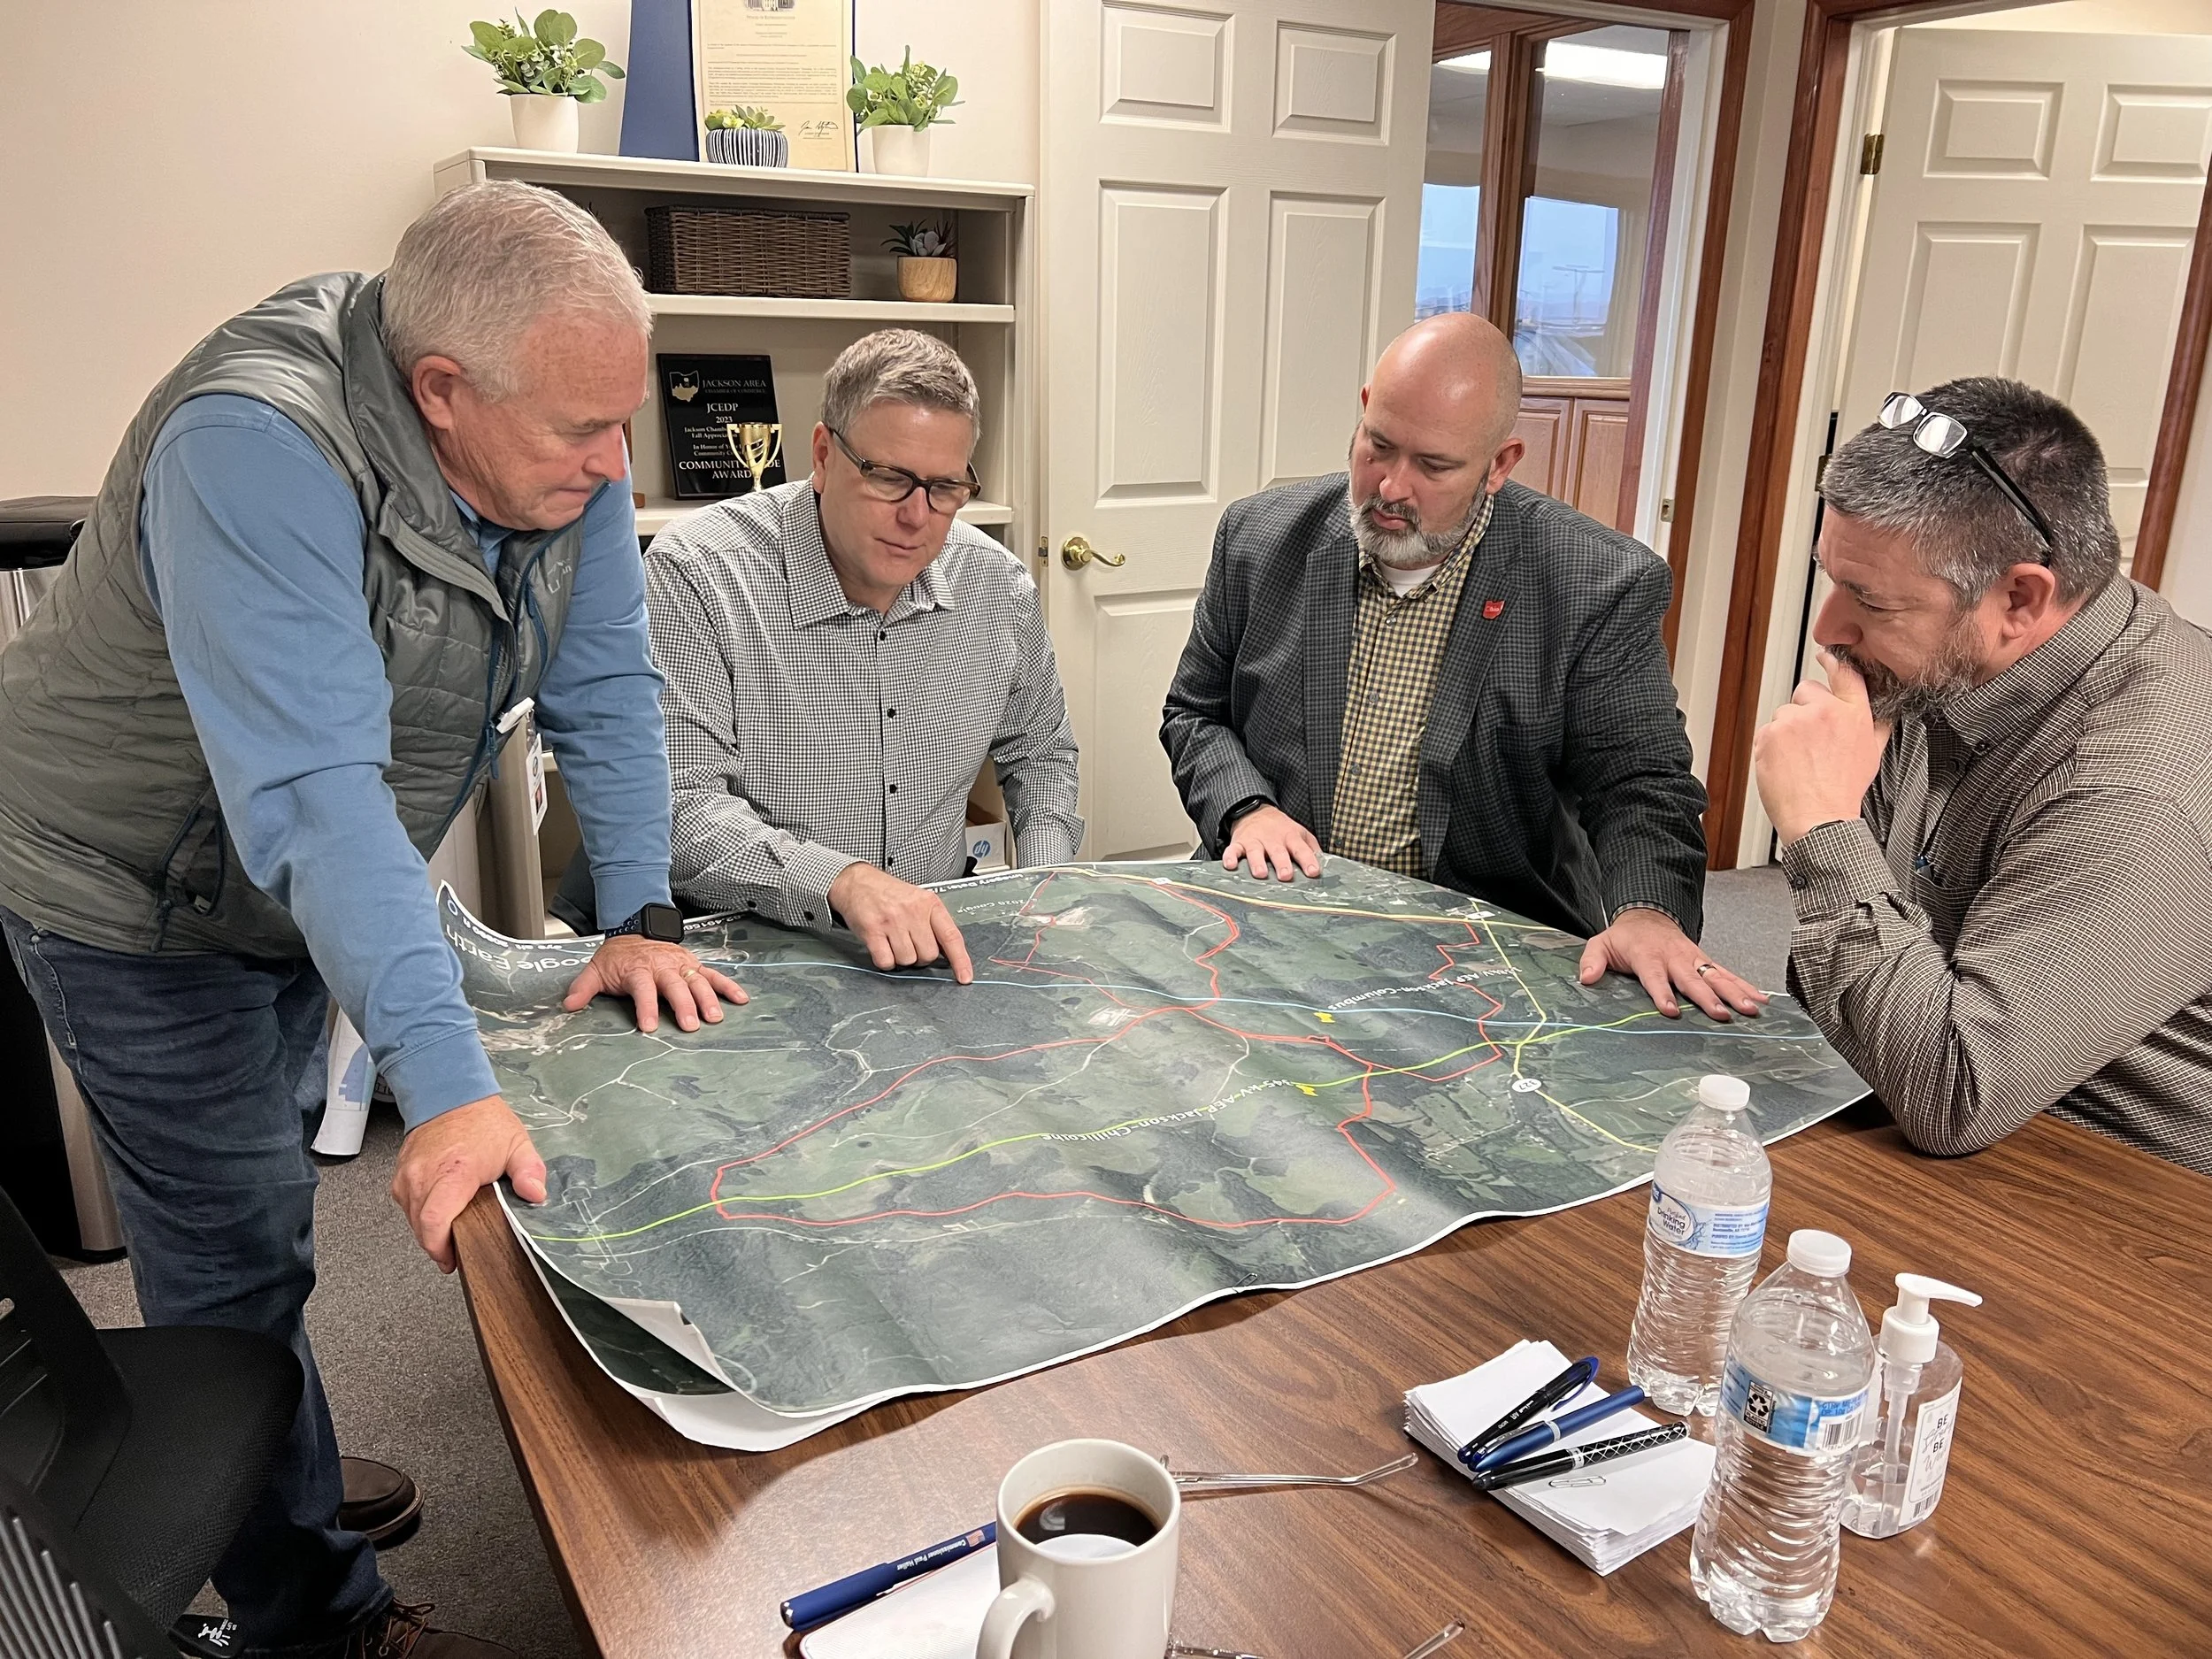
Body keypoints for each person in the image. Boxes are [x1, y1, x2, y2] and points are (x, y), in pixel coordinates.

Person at [0, 182, 745, 1657]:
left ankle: (289, 1471)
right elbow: (319, 802)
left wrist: (645, 911)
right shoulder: (253, 445)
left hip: (276, 895)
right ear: (443, 391)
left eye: (625, 425)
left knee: (272, 1196)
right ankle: (316, 1617)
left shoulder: (558, 451)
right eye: (579, 435)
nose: (615, 471)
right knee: (236, 1260)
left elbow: (603, 689)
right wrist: (452, 1089)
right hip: (130, 904)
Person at [1161, 312, 1761, 1023]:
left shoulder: (1595, 583)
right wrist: (1246, 807)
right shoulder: (1259, 538)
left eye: (1434, 466)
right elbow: (1195, 712)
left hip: (1473, 956)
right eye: (1377, 447)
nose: (1391, 488)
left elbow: (1639, 782)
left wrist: (1647, 910)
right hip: (1273, 921)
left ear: (1500, 463)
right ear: (1362, 411)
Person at [1754, 376, 2212, 1174]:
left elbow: (1951, 1092)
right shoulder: (1953, 666)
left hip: (2114, 1193)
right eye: (1831, 577)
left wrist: (1824, 834)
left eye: (1873, 601)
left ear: (2021, 598)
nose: (1828, 629)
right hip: (1932, 1111)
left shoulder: (2132, 794)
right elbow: (1840, 1011)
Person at [641, 329, 1081, 979]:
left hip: (933, 942)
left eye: (944, 487)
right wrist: (841, 882)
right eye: (890, 478)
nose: (918, 516)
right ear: (822, 455)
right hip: (749, 948)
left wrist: (1041, 890)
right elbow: (678, 808)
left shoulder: (998, 585)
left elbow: (1041, 753)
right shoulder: (697, 574)